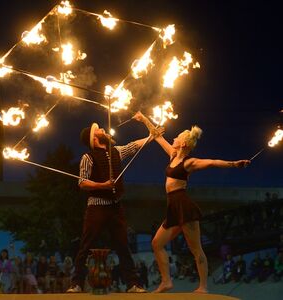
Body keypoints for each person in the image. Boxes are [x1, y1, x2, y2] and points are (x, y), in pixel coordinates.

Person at [134, 111, 250, 293]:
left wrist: (234, 164)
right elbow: (157, 135)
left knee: (196, 249)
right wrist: (144, 119)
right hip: (172, 207)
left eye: (177, 138)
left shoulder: (189, 163)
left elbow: (212, 162)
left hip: (184, 207)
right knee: (156, 243)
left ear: (183, 143)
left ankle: (203, 286)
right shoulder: (172, 155)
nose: (173, 138)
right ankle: (166, 281)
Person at [67, 122, 159, 293]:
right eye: (99, 130)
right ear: (95, 138)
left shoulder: (116, 151)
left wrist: (152, 136)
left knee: (123, 245)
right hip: (96, 207)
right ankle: (77, 283)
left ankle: (132, 284)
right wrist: (103, 185)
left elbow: (133, 147)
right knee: (86, 246)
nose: (103, 129)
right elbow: (82, 182)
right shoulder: (87, 157)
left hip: (115, 207)